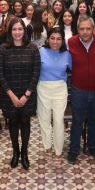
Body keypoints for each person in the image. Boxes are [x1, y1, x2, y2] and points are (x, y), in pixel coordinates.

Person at [0, 17, 40, 170]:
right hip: (10, 95)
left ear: (24, 30)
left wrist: (26, 95)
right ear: (10, 31)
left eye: (20, 29)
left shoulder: (33, 48)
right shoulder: (2, 49)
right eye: (14, 29)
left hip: (28, 94)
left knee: (26, 122)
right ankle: (15, 152)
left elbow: (36, 73)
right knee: (13, 122)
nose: (17, 32)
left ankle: (24, 153)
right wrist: (13, 96)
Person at [67, 15, 95, 164]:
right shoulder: (71, 42)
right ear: (77, 29)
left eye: (88, 29)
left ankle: (92, 146)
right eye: (82, 29)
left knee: (93, 120)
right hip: (78, 90)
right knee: (77, 121)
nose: (85, 32)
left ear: (93, 29)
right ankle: (73, 149)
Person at [37, 27, 72, 166]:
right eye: (52, 38)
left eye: (58, 39)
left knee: (58, 121)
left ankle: (58, 152)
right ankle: (47, 148)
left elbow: (76, 69)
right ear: (47, 39)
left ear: (62, 40)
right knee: (44, 121)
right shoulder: (41, 52)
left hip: (60, 89)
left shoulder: (67, 54)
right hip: (43, 88)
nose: (55, 42)